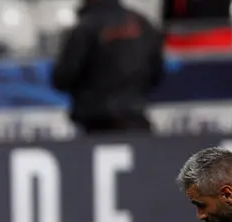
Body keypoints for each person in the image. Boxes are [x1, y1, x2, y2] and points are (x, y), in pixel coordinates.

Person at [50, 0, 165, 134]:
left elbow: (62, 77)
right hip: (135, 117)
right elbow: (157, 73)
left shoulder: (85, 27)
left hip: (95, 124)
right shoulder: (142, 23)